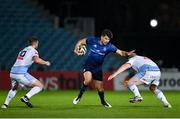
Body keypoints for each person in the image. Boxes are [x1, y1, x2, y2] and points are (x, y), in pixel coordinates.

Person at [73, 29, 134, 108]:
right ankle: (79, 97)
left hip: (98, 68)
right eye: (105, 38)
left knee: (100, 88)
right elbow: (80, 41)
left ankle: (103, 102)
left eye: (108, 39)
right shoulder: (92, 40)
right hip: (88, 65)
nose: (107, 41)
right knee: (88, 80)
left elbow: (120, 52)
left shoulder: (109, 46)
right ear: (101, 37)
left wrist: (127, 53)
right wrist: (76, 49)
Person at [108, 53, 172, 108]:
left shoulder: (132, 59)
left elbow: (125, 66)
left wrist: (114, 74)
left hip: (148, 71)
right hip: (157, 72)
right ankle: (166, 103)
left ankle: (138, 96)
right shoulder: (143, 57)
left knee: (130, 83)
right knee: (153, 88)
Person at [1, 37, 50, 108]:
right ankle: (26, 97)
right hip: (21, 74)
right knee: (40, 86)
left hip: (12, 72)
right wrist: (46, 62)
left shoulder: (23, 50)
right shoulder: (34, 51)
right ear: (35, 43)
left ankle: (5, 104)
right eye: (38, 43)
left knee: (15, 88)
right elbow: (36, 60)